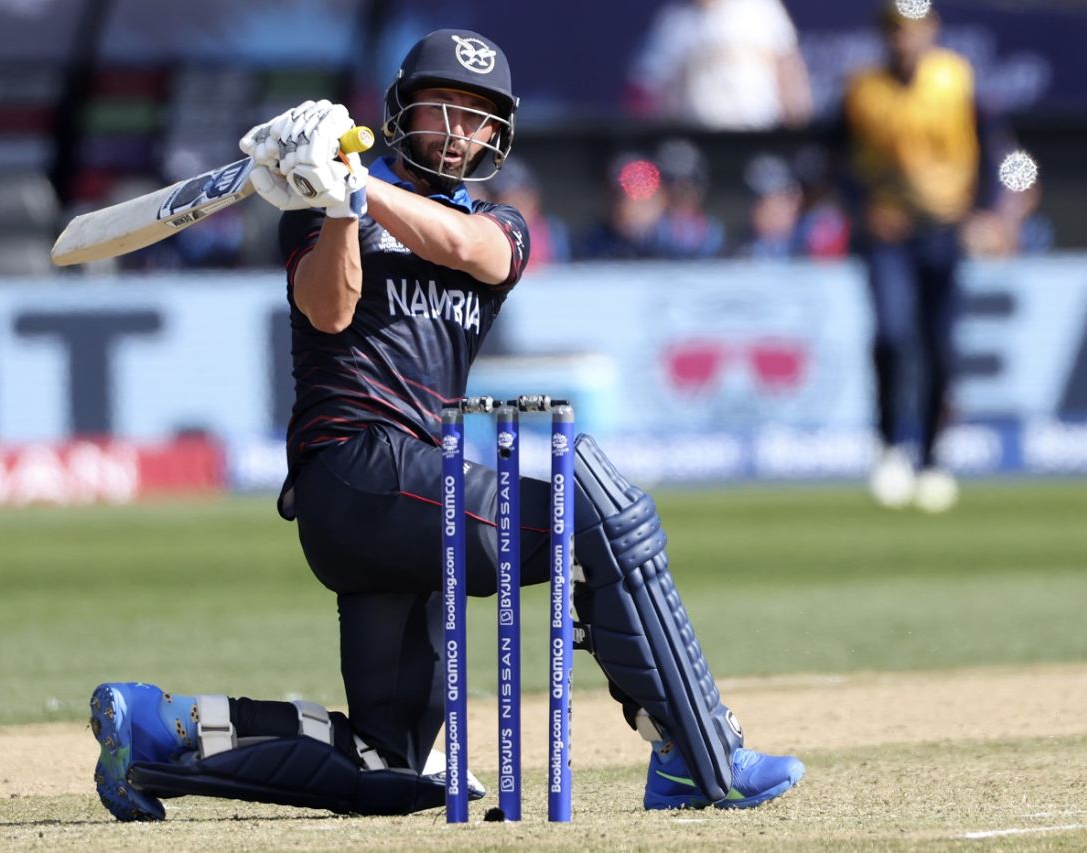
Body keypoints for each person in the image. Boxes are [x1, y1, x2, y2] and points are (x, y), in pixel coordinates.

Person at [86, 29, 803, 822]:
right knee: (605, 513)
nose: (460, 131)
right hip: (360, 472)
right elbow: (329, 308)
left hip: (417, 504)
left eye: (479, 117)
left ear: (498, 133)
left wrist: (355, 182)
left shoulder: (499, 224)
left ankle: (158, 731)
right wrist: (335, 202)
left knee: (391, 768)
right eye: (444, 110)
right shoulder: (317, 210)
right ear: (403, 111)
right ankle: (698, 751)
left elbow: (475, 252)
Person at [838, 3, 1001, 512]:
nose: (903, 41)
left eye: (911, 30)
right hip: (889, 230)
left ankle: (932, 457)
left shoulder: (957, 81)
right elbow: (833, 161)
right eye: (894, 31)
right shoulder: (863, 90)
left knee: (940, 346)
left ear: (930, 31)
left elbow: (1000, 154)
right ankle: (889, 443)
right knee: (891, 332)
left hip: (945, 231)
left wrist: (990, 212)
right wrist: (862, 209)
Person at [626, 0, 813, 130]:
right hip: (700, 134)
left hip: (758, 130)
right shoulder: (674, 21)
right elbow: (648, 84)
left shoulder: (760, 8)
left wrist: (797, 119)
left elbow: (787, 64)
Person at [574, 152, 668, 260]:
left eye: (646, 201)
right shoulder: (587, 248)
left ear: (662, 200)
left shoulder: (679, 247)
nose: (637, 210)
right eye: (630, 199)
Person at [653, 139, 725, 260]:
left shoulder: (714, 231)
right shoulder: (647, 230)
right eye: (672, 181)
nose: (682, 189)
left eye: (691, 180)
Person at [736, 153, 802, 260]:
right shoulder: (738, 254)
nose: (769, 209)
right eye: (759, 201)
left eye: (778, 198)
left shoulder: (811, 246)